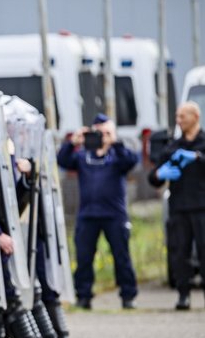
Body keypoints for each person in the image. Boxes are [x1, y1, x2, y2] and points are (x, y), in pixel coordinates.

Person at [57, 114, 139, 309]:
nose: (101, 136)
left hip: (114, 215)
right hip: (88, 215)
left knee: (122, 256)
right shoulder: (83, 156)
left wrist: (114, 142)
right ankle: (83, 296)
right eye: (99, 132)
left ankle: (128, 296)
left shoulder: (117, 155)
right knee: (84, 257)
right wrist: (72, 142)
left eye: (106, 132)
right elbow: (62, 160)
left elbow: (131, 161)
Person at [148, 102, 205, 310]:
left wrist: (198, 158)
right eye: (177, 116)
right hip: (179, 207)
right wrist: (158, 174)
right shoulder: (172, 147)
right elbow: (153, 177)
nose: (178, 120)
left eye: (182, 116)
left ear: (195, 117)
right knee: (180, 252)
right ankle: (183, 295)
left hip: (202, 207)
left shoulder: (203, 143)